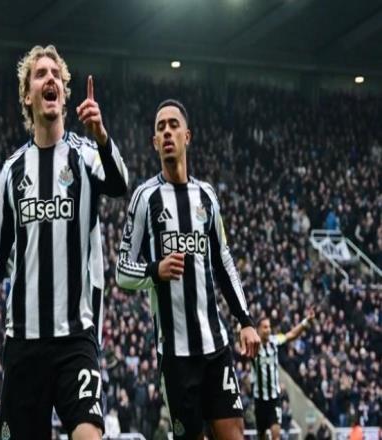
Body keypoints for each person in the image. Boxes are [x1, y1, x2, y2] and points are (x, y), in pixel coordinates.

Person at [0, 44, 128, 439]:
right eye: (41, 74)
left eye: (56, 74)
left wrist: (102, 135)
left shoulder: (86, 155)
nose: (50, 79)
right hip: (23, 340)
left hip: (75, 336)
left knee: (89, 434)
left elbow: (119, 184)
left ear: (64, 94)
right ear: (28, 95)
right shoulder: (13, 170)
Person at [116, 99, 260, 439]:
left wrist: (245, 320)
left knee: (234, 434)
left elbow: (224, 262)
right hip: (176, 357)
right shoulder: (145, 198)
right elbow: (122, 272)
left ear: (187, 136)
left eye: (173, 125)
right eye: (160, 128)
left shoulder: (206, 196)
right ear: (154, 142)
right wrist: (155, 270)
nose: (167, 132)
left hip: (215, 346)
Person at [252, 310, 315, 440]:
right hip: (259, 400)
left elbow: (291, 334)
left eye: (269, 327)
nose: (268, 330)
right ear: (258, 329)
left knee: (276, 435)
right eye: (265, 327)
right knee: (261, 436)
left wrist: (305, 322)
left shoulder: (274, 341)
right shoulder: (253, 347)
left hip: (274, 399)